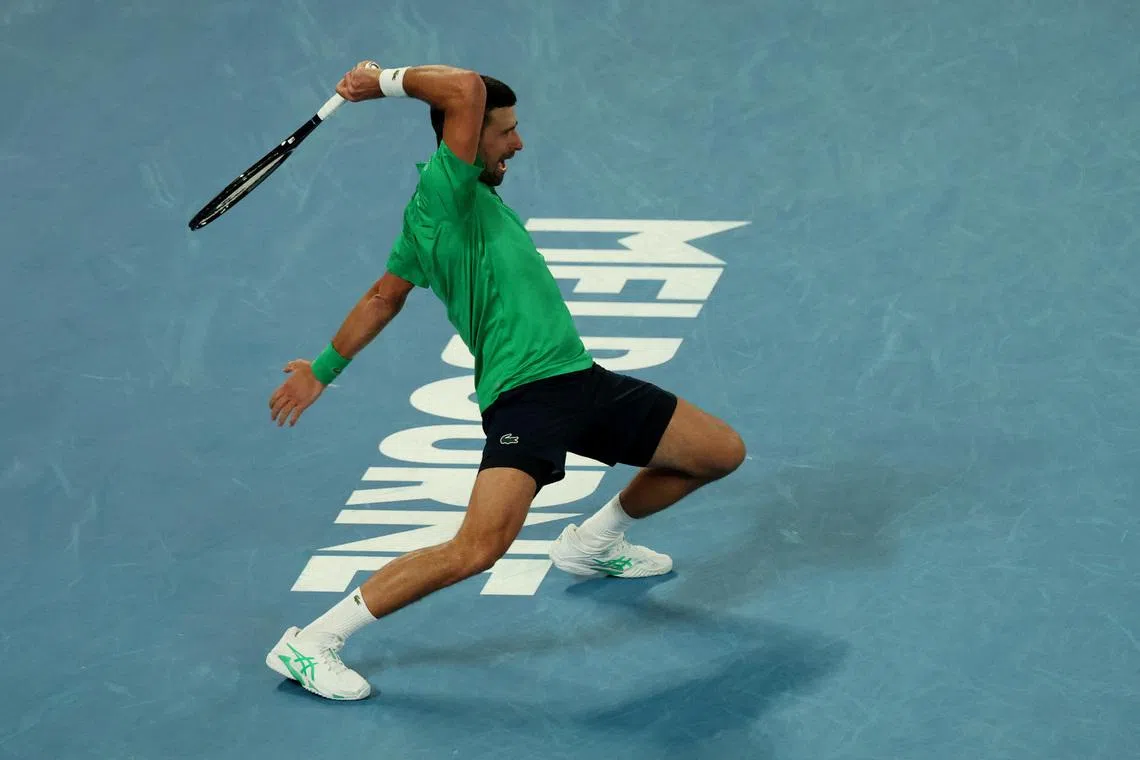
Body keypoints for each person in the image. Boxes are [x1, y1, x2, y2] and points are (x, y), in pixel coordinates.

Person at [264, 61, 746, 700]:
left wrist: (321, 371)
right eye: (503, 133)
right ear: (461, 140)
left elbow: (384, 296)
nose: (516, 144)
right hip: (526, 398)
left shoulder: (437, 214)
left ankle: (593, 543)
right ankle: (313, 641)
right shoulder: (447, 190)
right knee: (477, 548)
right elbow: (464, 86)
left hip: (579, 379)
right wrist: (378, 82)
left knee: (718, 452)